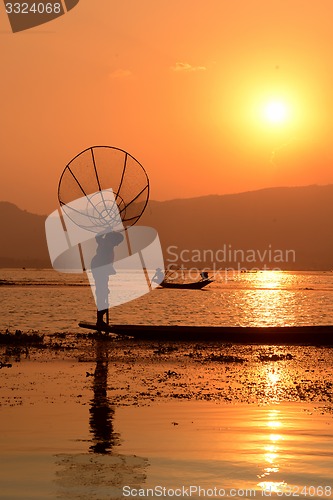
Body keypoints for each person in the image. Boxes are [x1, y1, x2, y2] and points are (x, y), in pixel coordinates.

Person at [91, 230, 124, 326]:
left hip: (100, 270)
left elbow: (97, 236)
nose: (117, 245)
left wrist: (106, 231)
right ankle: (100, 319)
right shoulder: (107, 244)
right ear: (113, 240)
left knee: (102, 293)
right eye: (117, 242)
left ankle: (100, 319)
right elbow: (105, 260)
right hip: (100, 270)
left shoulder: (105, 242)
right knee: (102, 293)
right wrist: (106, 231)